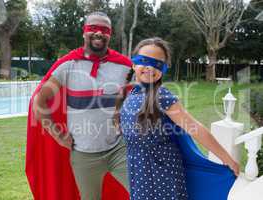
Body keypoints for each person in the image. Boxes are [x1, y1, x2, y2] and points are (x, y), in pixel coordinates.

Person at [113, 37, 239, 200]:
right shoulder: (132, 93)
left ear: (163, 69)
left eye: (157, 63)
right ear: (134, 64)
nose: (150, 67)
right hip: (138, 169)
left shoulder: (162, 95)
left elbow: (195, 127)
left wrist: (226, 158)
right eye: (144, 60)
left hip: (161, 173)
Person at [26, 12, 132, 200]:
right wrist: (57, 135)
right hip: (84, 154)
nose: (99, 33)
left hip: (118, 149)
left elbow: (139, 94)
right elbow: (39, 102)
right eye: (93, 28)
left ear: (110, 34)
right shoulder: (68, 65)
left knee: (143, 191)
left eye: (104, 30)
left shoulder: (124, 66)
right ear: (84, 33)